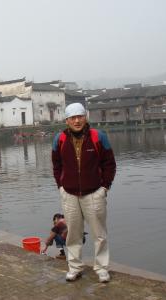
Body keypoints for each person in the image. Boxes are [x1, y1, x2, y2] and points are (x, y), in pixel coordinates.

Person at [52, 103, 116, 283]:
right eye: (72, 117)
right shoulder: (60, 139)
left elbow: (109, 164)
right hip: (70, 194)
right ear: (67, 120)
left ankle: (102, 269)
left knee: (99, 234)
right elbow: (56, 165)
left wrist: (105, 187)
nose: (77, 120)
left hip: (94, 193)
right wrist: (61, 187)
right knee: (73, 233)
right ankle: (74, 268)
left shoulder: (98, 137)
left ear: (85, 117)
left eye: (80, 116)